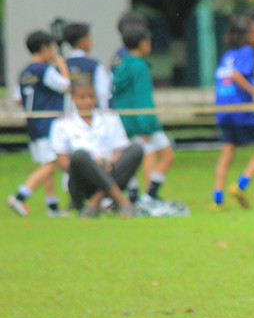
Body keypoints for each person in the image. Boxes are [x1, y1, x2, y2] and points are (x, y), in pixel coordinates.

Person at [50, 76, 140, 218]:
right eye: (83, 97)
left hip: (111, 169)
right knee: (79, 156)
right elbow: (63, 163)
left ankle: (94, 202)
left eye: (91, 96)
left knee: (136, 149)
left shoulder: (110, 118)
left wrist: (108, 162)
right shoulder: (61, 124)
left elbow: (119, 149)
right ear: (73, 98)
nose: (88, 101)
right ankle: (123, 202)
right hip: (81, 181)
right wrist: (93, 165)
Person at [6, 30, 71, 217]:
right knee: (53, 163)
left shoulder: (25, 71)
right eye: (53, 49)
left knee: (46, 163)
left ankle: (52, 206)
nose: (54, 53)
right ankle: (20, 196)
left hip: (33, 123)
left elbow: (19, 99)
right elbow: (66, 86)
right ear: (44, 48)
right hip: (49, 123)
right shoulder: (45, 70)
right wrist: (62, 65)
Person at [212, 15, 254, 209]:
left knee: (227, 152)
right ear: (247, 35)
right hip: (240, 109)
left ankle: (217, 199)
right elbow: (237, 75)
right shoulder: (247, 51)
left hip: (223, 109)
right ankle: (240, 185)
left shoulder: (227, 55)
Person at [112, 23, 175, 203]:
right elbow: (142, 98)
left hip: (128, 120)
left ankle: (145, 193)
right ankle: (148, 196)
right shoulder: (139, 66)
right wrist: (145, 125)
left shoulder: (123, 64)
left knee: (164, 154)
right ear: (142, 43)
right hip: (142, 122)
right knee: (149, 155)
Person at [63, 22, 111, 110]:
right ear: (83, 41)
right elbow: (103, 93)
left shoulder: (62, 65)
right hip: (90, 115)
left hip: (66, 116)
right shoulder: (94, 65)